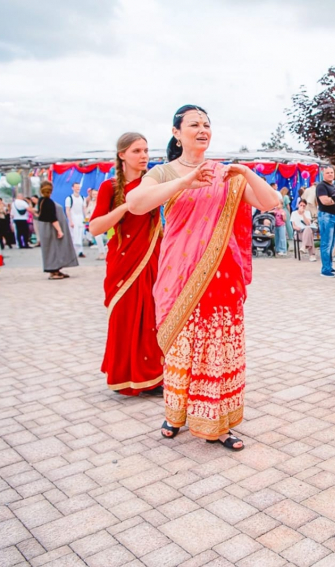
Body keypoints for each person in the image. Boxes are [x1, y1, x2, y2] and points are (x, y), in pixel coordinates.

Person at [127, 104, 281, 451]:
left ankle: (218, 423)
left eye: (207, 125)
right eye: (194, 124)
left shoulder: (226, 174)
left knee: (217, 348)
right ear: (176, 132)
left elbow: (269, 202)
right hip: (178, 275)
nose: (202, 130)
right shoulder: (164, 173)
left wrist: (245, 172)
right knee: (182, 346)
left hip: (221, 275)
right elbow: (136, 202)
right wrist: (186, 181)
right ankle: (176, 414)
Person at [90, 132, 164, 397]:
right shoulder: (110, 188)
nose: (144, 156)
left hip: (152, 259)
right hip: (124, 262)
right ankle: (125, 376)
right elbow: (96, 227)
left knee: (151, 318)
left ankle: (153, 377)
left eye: (146, 151)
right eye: (137, 151)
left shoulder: (154, 183)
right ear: (122, 154)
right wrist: (125, 207)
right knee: (126, 318)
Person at [35, 181, 78, 280]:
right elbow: (52, 218)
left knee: (52, 249)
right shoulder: (48, 202)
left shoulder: (42, 200)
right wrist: (59, 230)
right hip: (50, 228)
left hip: (45, 228)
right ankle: (53, 270)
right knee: (53, 249)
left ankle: (56, 269)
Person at [316, 165, 335, 277]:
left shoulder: (333, 185)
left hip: (334, 216)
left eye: (331, 172)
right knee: (326, 243)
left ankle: (329, 266)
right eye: (328, 173)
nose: (330, 174)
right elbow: (325, 201)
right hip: (326, 216)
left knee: (331, 244)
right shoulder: (321, 186)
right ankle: (325, 270)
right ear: (323, 174)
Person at [65, 182, 86, 258]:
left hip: (81, 218)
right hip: (73, 218)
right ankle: (72, 252)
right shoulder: (69, 198)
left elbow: (84, 209)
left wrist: (86, 219)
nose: (78, 188)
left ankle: (80, 251)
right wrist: (70, 221)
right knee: (73, 235)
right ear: (72, 188)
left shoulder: (83, 198)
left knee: (80, 235)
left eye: (78, 187)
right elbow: (67, 210)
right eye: (76, 187)